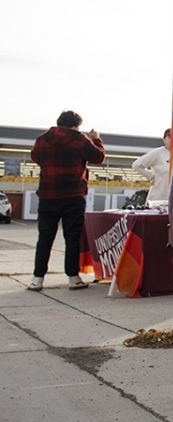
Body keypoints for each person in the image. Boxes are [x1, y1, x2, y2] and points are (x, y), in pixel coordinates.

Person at [28, 111, 105, 291]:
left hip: (47, 196)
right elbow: (98, 157)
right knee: (72, 238)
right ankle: (73, 277)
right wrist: (96, 139)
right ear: (76, 126)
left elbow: (35, 157)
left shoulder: (42, 139)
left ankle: (37, 279)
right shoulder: (79, 139)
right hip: (73, 196)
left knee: (45, 238)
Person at [131, 128, 171, 202]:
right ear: (164, 139)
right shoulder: (157, 153)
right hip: (157, 200)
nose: (172, 139)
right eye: (169, 136)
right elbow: (136, 165)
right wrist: (151, 177)